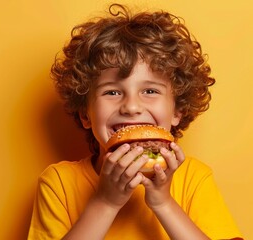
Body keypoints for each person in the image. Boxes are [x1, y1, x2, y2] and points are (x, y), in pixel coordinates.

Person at [28, 3, 243, 240]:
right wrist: (106, 202)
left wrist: (163, 203)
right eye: (112, 92)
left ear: (178, 111)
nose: (131, 107)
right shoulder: (58, 182)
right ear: (85, 115)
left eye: (150, 91)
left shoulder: (194, 178)